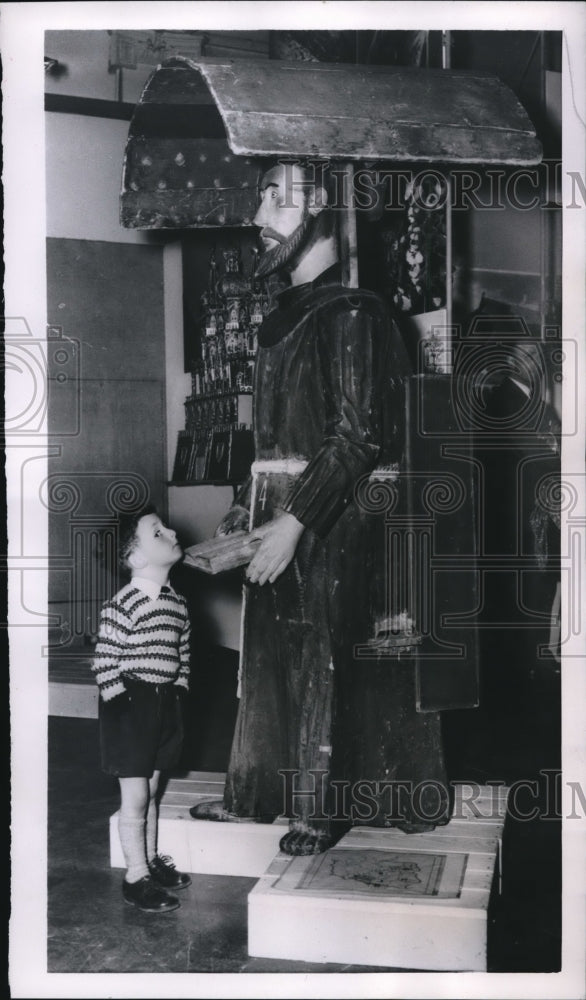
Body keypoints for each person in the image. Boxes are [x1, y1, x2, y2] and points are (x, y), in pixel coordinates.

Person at [191, 161, 450, 855]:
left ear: (328, 209)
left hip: (334, 520)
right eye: (263, 195)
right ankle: (256, 793)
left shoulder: (355, 312)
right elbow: (278, 441)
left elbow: (359, 435)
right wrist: (249, 517)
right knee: (270, 658)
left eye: (283, 196)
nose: (261, 213)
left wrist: (296, 522)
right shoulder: (290, 317)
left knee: (319, 658)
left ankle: (320, 806)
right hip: (286, 509)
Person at [92, 506, 192, 912]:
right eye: (156, 532)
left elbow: (182, 649)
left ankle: (149, 862)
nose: (170, 530)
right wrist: (120, 700)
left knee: (152, 788)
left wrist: (181, 684)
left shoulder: (176, 602)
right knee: (134, 795)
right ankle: (136, 877)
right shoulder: (125, 602)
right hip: (131, 703)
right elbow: (105, 657)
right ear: (136, 558)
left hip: (164, 702)